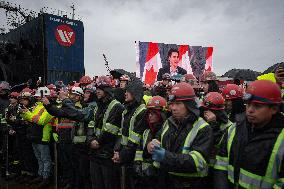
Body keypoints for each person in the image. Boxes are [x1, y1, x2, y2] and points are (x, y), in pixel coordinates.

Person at [214, 80, 284, 189]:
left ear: (274, 109)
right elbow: (221, 164)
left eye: (257, 106)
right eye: (248, 104)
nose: (250, 110)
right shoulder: (233, 129)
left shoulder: (281, 140)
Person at [147, 82, 213, 189]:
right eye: (172, 103)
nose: (173, 108)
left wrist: (165, 156)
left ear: (189, 105)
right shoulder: (169, 122)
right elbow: (158, 139)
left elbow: (197, 162)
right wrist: (151, 144)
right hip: (166, 181)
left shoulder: (203, 128)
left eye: (178, 104)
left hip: (189, 184)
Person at [87, 76, 124, 189]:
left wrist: (97, 142)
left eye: (101, 88)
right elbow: (91, 124)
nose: (97, 91)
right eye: (97, 88)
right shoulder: (97, 106)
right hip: (94, 152)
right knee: (96, 184)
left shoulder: (116, 106)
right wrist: (91, 140)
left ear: (107, 90)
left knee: (109, 184)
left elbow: (111, 129)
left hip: (107, 153)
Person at [112, 79, 147, 189]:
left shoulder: (142, 111)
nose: (125, 93)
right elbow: (121, 133)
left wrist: (122, 155)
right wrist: (117, 150)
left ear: (135, 93)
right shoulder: (126, 110)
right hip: (125, 155)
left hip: (135, 158)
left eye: (128, 91)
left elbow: (134, 140)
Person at [20, 87, 55, 188]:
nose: (37, 98)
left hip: (43, 136)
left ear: (45, 96)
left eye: (39, 96)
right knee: (39, 158)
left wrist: (29, 115)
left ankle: (46, 178)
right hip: (35, 135)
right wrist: (25, 113)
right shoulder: (38, 106)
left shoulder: (49, 107)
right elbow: (32, 118)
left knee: (45, 159)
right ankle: (40, 176)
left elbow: (41, 121)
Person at [134, 96, 168, 189]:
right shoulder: (147, 131)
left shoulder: (166, 133)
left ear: (161, 115)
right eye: (149, 113)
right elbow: (139, 149)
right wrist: (137, 164)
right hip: (144, 175)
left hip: (158, 177)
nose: (150, 116)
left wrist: (153, 169)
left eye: (153, 113)